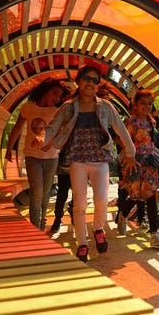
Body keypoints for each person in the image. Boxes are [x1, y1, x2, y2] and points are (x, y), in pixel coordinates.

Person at [43, 64, 137, 262]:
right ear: (79, 81)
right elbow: (52, 127)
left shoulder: (105, 106)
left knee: (101, 199)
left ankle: (98, 228)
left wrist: (131, 152)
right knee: (79, 204)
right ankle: (82, 242)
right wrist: (43, 140)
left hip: (99, 159)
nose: (91, 83)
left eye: (95, 80)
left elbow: (120, 128)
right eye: (87, 79)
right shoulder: (68, 107)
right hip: (77, 160)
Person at [5, 78, 70, 230]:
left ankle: (41, 222)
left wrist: (53, 143)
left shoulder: (56, 111)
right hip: (32, 156)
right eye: (55, 93)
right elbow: (17, 127)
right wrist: (9, 148)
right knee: (37, 191)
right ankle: (36, 228)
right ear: (46, 91)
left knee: (46, 192)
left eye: (60, 96)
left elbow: (61, 132)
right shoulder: (28, 107)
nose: (57, 98)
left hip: (51, 157)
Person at [117, 89, 159, 248]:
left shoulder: (152, 121)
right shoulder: (131, 122)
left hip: (150, 163)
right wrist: (130, 152)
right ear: (136, 104)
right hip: (135, 163)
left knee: (151, 194)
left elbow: (153, 142)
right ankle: (124, 214)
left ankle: (154, 234)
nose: (147, 107)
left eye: (150, 104)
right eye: (143, 103)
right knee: (135, 195)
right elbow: (121, 139)